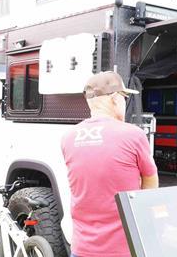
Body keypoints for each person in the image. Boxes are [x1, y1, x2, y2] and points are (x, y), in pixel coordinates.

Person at [61, 71, 159, 257]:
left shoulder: (68, 138)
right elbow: (150, 180)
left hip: (82, 248)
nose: (125, 103)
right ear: (115, 99)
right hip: (123, 249)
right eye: (124, 98)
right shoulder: (132, 134)